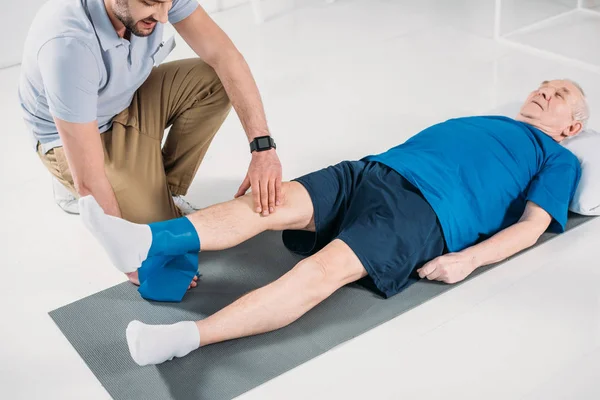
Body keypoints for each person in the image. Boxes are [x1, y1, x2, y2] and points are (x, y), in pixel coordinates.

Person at [79, 79, 588, 366]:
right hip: (370, 169)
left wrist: (468, 261)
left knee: (318, 274)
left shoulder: (557, 157)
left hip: (423, 214)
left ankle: (182, 341)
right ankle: (143, 242)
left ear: (573, 126)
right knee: (265, 204)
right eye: (543, 84)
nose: (545, 90)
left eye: (560, 92)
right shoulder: (494, 120)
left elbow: (532, 225)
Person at [18, 0, 282, 234]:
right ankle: (70, 179)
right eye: (151, 3)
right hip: (70, 137)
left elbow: (226, 57)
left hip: (123, 101)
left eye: (168, 4)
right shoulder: (68, 44)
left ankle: (163, 189)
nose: (164, 17)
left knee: (217, 82)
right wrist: (130, 258)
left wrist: (262, 148)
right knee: (158, 234)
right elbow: (90, 181)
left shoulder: (158, 4)